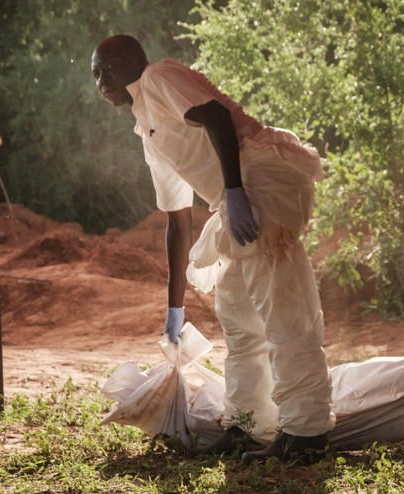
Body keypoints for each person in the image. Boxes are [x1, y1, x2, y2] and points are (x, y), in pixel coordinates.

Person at [91, 35, 335, 462]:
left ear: (133, 60)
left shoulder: (159, 77)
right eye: (94, 74)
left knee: (281, 307)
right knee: (238, 315)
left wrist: (236, 191)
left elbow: (218, 117)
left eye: (106, 68)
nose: (100, 79)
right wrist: (175, 309)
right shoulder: (147, 128)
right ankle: (247, 426)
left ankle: (306, 434)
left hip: (258, 172)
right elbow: (177, 219)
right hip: (232, 196)